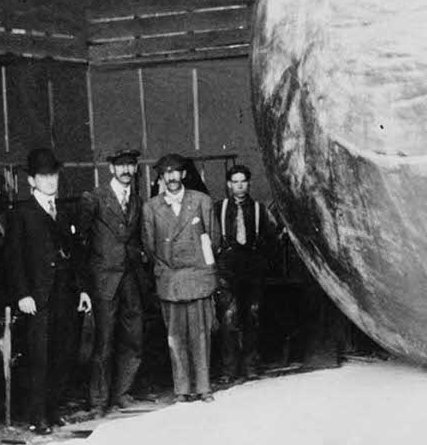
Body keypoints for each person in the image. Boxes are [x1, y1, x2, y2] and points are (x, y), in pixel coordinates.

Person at [5, 148, 92, 434]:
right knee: (38, 357)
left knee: (63, 354)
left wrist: (82, 291)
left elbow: (76, 255)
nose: (50, 180)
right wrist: (22, 294)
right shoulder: (22, 212)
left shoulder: (65, 210)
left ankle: (53, 409)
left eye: (53, 175)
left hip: (66, 295)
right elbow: (14, 258)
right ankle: (36, 415)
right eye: (43, 176)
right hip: (37, 297)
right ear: (32, 181)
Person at [142, 153, 218, 403]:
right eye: (167, 173)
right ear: (161, 177)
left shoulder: (201, 201)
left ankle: (204, 388)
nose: (172, 177)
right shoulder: (151, 207)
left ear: (184, 175)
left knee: (200, 335)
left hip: (197, 278)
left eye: (176, 172)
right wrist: (167, 270)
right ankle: (182, 390)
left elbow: (213, 240)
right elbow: (150, 247)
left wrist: (201, 269)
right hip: (171, 280)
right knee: (175, 338)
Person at [78, 146, 148, 415]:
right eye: (121, 166)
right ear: (111, 169)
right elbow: (82, 243)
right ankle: (98, 401)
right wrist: (85, 283)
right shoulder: (94, 197)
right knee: (103, 341)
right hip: (104, 280)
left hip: (131, 277)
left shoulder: (138, 200)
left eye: (131, 165)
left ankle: (122, 393)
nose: (127, 170)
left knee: (134, 338)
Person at [215, 164, 277, 382]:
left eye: (243, 181)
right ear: (229, 185)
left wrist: (261, 263)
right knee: (228, 319)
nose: (239, 186)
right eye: (235, 182)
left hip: (252, 270)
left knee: (252, 317)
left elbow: (271, 241)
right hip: (227, 270)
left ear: (249, 184)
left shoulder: (260, 209)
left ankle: (251, 366)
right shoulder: (219, 208)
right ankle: (229, 369)